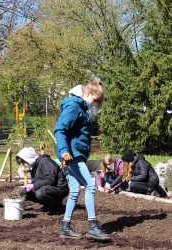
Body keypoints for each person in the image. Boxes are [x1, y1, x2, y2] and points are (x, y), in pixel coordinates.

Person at [54, 79, 110, 240]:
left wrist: (95, 130)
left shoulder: (81, 108)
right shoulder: (74, 106)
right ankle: (93, 226)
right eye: (95, 100)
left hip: (76, 153)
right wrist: (64, 151)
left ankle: (65, 226)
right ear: (87, 93)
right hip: (72, 155)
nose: (96, 105)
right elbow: (60, 129)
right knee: (90, 185)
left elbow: (79, 129)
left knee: (74, 190)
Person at [16, 147, 69, 212]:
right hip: (50, 188)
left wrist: (33, 186)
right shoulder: (35, 166)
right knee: (26, 192)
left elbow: (50, 180)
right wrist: (28, 187)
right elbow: (38, 181)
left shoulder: (45, 162)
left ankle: (56, 205)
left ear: (29, 158)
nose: (24, 164)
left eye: (24, 162)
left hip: (59, 188)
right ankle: (47, 204)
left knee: (41, 193)